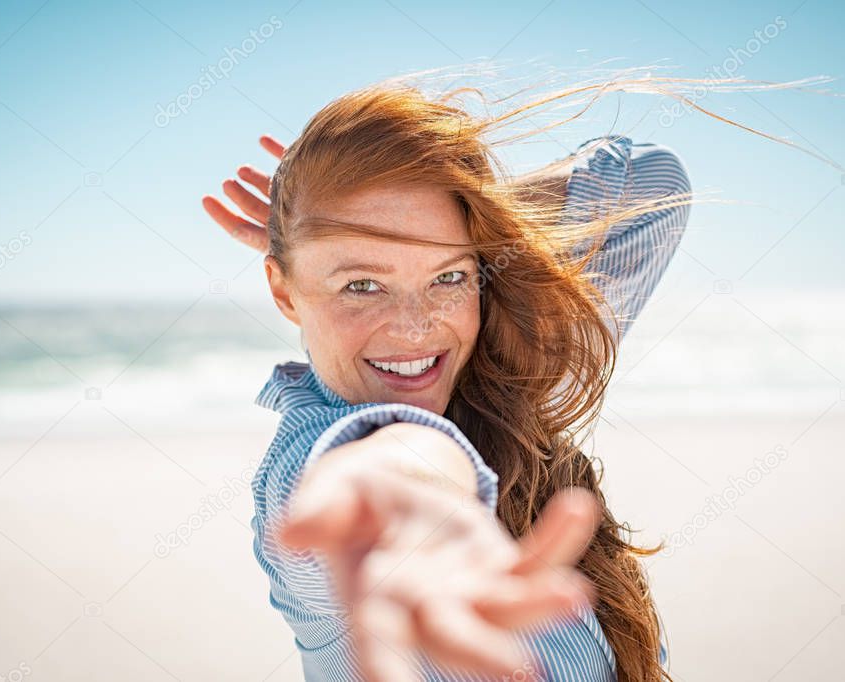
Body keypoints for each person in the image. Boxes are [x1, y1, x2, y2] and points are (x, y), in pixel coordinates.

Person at [202, 77, 692, 681]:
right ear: (284, 291)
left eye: (448, 277)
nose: (415, 330)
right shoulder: (308, 473)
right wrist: (409, 519)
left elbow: (653, 184)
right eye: (361, 285)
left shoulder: (509, 376)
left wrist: (467, 210)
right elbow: (391, 460)